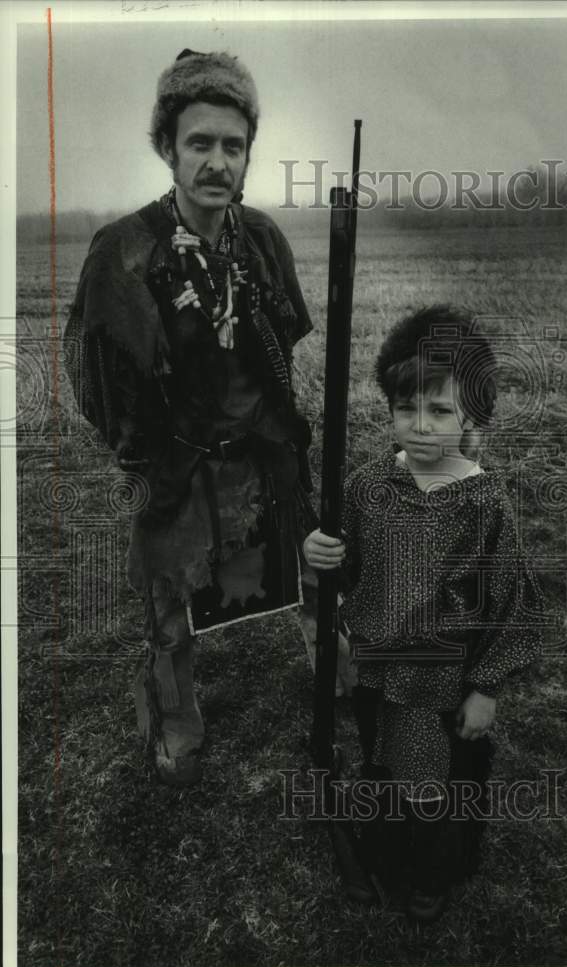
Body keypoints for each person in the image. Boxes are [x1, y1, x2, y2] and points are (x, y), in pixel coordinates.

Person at [64, 49, 344, 788]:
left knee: (313, 569)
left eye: (233, 144)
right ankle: (176, 732)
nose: (217, 161)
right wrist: (151, 460)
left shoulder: (260, 239)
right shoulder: (122, 253)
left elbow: (281, 351)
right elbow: (99, 385)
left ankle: (339, 686)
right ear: (167, 147)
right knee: (168, 608)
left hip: (263, 452)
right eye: (200, 143)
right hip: (179, 464)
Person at [303, 305, 544, 921]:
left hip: (443, 684)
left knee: (438, 788)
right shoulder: (365, 487)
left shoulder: (483, 502)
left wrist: (486, 688)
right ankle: (389, 856)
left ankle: (434, 877)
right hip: (378, 675)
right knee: (384, 773)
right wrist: (319, 553)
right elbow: (343, 571)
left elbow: (509, 605)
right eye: (406, 409)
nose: (421, 425)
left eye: (440, 411)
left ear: (470, 415)